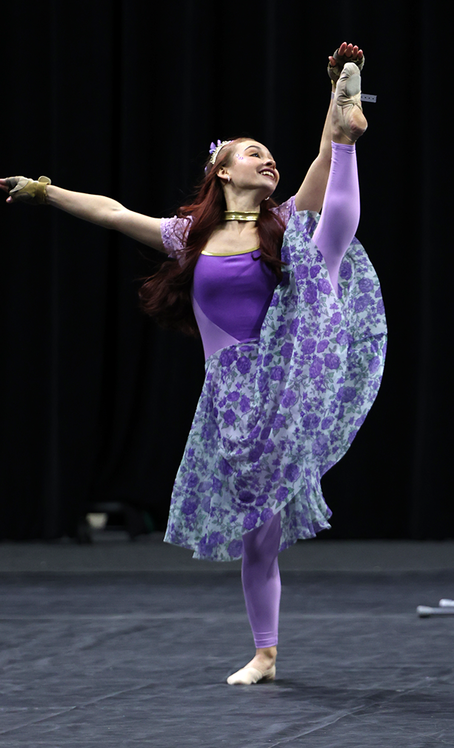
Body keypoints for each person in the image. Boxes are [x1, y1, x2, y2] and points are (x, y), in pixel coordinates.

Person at [1, 42, 387, 685]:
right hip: (232, 398)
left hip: (291, 370)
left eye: (270, 153)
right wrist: (45, 193)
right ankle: (265, 652)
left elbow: (317, 162)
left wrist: (335, 103)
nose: (267, 157)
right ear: (223, 171)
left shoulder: (282, 221)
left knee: (323, 241)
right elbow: (111, 212)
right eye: (251, 151)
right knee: (258, 533)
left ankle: (353, 133)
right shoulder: (190, 237)